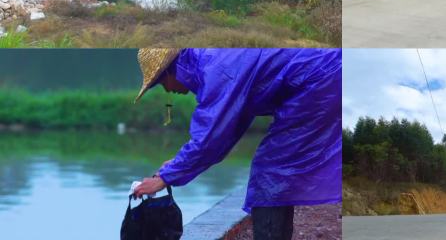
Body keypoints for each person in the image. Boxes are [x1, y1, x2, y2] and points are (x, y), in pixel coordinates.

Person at [132, 48, 341, 240]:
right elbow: (228, 128)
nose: (167, 90)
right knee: (274, 170)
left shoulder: (215, 72)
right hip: (325, 70)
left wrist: (164, 179)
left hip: (317, 79)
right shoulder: (211, 61)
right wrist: (178, 165)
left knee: (271, 171)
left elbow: (209, 141)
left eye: (160, 83)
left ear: (169, 72)